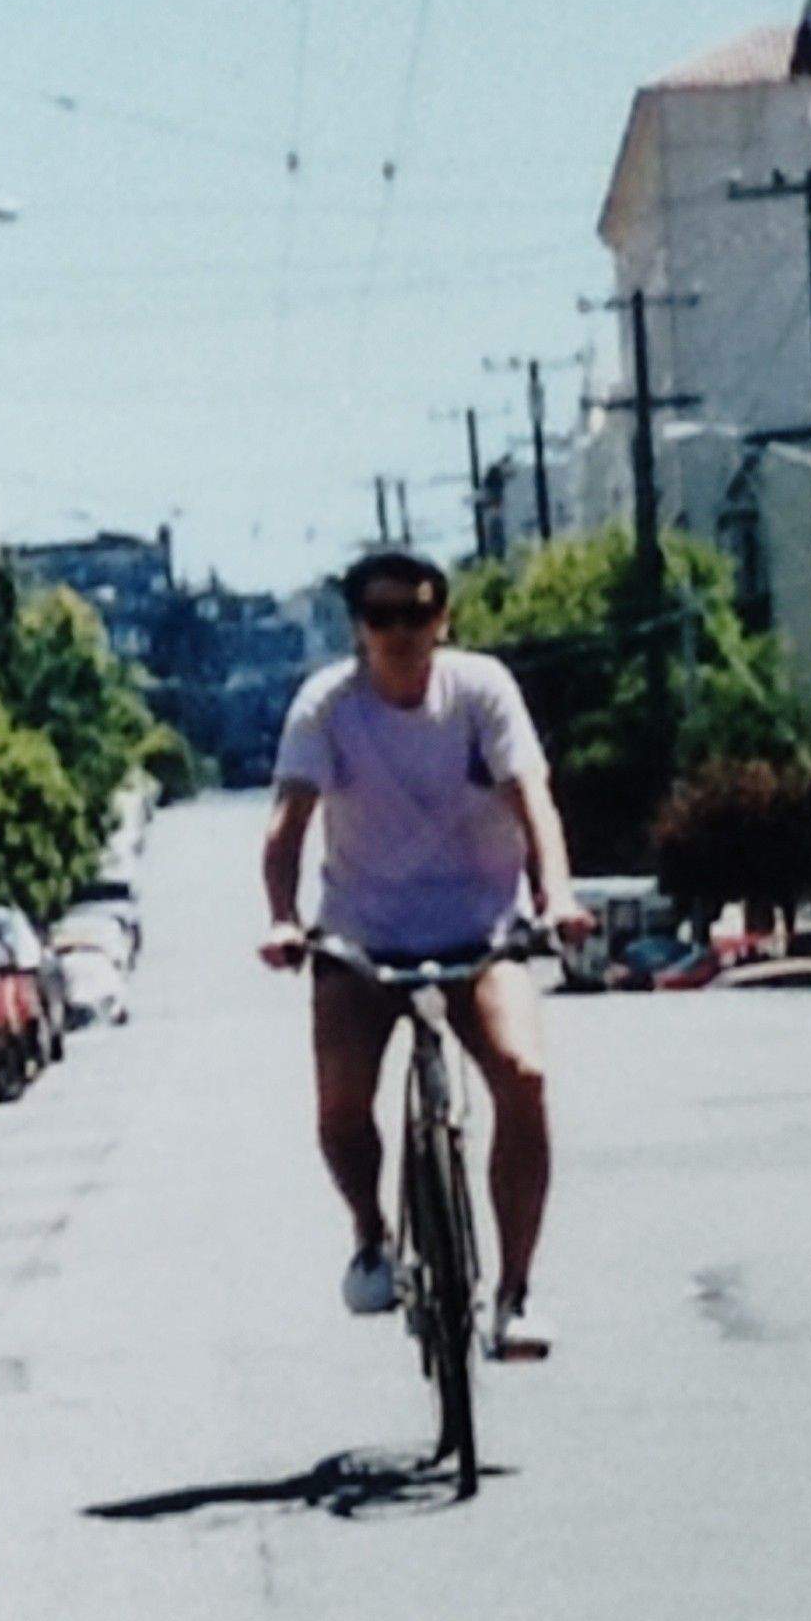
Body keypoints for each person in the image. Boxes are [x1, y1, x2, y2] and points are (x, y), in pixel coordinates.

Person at [258, 550, 587, 1361]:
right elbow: (287, 826)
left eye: (417, 614)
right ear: (359, 630)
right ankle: (372, 1236)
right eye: (382, 618)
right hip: (361, 937)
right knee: (341, 1100)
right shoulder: (326, 708)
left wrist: (558, 897)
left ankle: (513, 1297)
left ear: (444, 620)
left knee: (525, 1075)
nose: (401, 633)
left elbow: (533, 799)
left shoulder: (481, 691)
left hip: (480, 930)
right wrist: (282, 918)